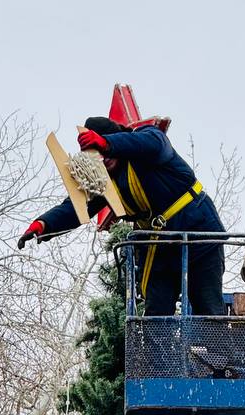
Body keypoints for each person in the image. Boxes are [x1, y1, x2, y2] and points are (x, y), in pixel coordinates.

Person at [18, 116, 226, 316]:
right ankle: (158, 354)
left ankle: (217, 353)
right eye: (96, 156)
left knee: (208, 310)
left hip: (198, 235)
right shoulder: (105, 181)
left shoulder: (147, 143)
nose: (103, 158)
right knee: (156, 316)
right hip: (160, 248)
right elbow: (77, 206)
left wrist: (107, 143)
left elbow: (155, 142)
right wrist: (44, 224)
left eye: (103, 152)